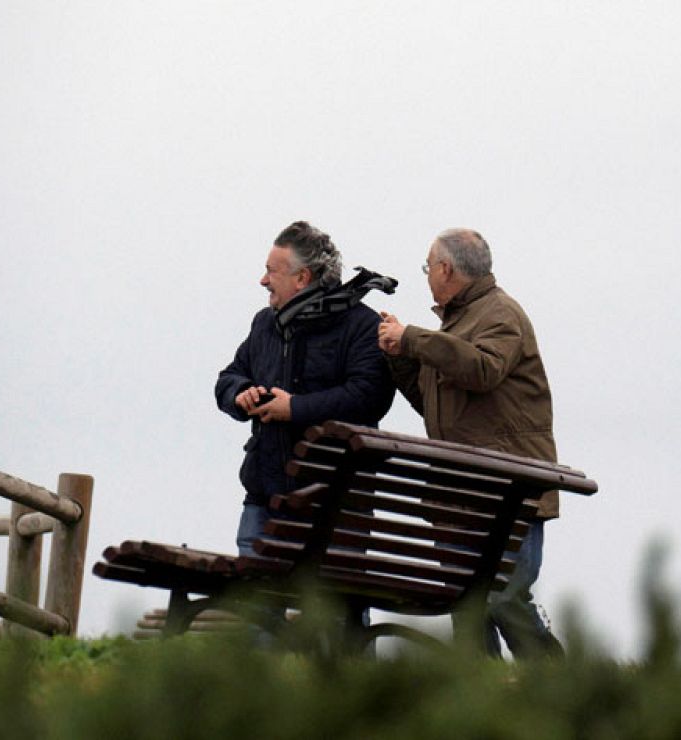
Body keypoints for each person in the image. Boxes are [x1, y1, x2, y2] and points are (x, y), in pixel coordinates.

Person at [377, 228, 564, 659]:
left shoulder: (500, 314)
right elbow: (435, 403)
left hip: (508, 490)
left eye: (428, 267)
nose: (427, 276)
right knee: (469, 609)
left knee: (504, 599)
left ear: (445, 269)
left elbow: (483, 370)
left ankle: (561, 687)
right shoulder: (457, 323)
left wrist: (414, 339)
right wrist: (398, 355)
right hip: (461, 492)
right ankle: (481, 700)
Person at [216, 221, 396, 557]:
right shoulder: (265, 323)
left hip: (337, 503)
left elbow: (369, 396)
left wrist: (294, 408)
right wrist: (240, 395)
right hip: (264, 496)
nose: (263, 280)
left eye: (272, 272)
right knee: (255, 607)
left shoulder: (362, 326)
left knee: (335, 610)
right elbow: (230, 376)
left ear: (303, 278)